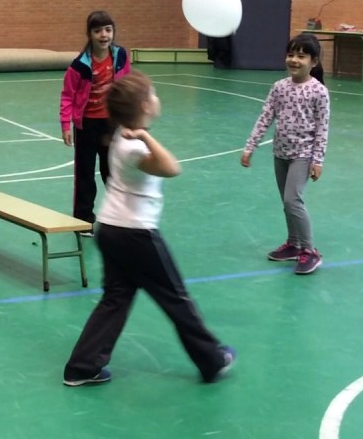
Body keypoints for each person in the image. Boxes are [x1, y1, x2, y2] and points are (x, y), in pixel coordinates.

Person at [63, 71, 235, 387]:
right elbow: (172, 168)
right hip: (135, 234)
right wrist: (146, 136)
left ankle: (83, 366)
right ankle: (211, 359)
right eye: (153, 95)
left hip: (112, 229)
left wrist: (141, 134)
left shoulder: (120, 136)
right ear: (144, 106)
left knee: (115, 298)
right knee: (176, 298)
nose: (157, 99)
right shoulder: (133, 146)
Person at [240, 33, 331, 275]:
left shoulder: (319, 92)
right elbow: (265, 117)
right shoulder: (279, 88)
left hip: (303, 155)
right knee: (286, 202)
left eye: (301, 56)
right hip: (280, 153)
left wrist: (318, 159)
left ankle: (310, 251)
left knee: (293, 200)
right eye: (291, 54)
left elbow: (323, 128)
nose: (294, 60)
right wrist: (250, 146)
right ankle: (293, 244)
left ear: (314, 61)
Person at [59, 10, 131, 226]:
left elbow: (127, 87)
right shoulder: (79, 65)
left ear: (113, 32)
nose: (103, 35)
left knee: (114, 172)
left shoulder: (121, 56)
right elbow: (67, 96)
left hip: (112, 125)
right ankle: (84, 220)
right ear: (89, 34)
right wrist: (66, 125)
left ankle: (119, 217)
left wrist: (129, 118)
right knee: (85, 175)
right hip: (86, 126)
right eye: (98, 31)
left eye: (108, 30)